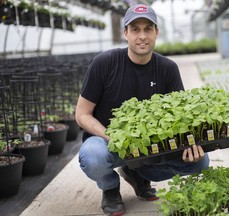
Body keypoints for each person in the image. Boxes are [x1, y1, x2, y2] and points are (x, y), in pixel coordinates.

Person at [75, 4, 209, 216]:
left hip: (148, 147)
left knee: (200, 162)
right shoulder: (104, 64)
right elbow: (82, 114)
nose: (142, 36)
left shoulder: (168, 69)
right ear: (125, 33)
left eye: (148, 29)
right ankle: (110, 188)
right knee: (93, 156)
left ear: (156, 33)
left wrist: (190, 143)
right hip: (109, 144)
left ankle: (136, 172)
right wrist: (111, 136)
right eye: (135, 29)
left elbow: (181, 119)